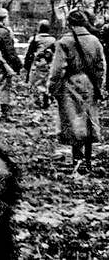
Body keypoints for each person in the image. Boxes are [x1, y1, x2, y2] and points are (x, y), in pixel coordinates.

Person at [48, 9, 106, 172]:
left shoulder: (64, 42)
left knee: (74, 122)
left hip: (70, 84)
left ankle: (77, 160)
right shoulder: (95, 40)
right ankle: (87, 161)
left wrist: (52, 88)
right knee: (88, 120)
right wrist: (99, 85)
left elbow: (58, 69)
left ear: (69, 23)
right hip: (90, 84)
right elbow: (101, 66)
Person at [0, 8, 22, 121]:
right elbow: (10, 52)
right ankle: (5, 115)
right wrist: (17, 65)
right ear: (4, 18)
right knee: (4, 87)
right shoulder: (4, 32)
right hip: (3, 63)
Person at [23, 19, 56, 109]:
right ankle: (46, 99)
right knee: (46, 82)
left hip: (37, 64)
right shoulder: (53, 40)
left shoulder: (35, 38)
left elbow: (29, 53)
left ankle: (37, 101)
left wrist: (26, 65)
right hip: (48, 64)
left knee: (35, 82)